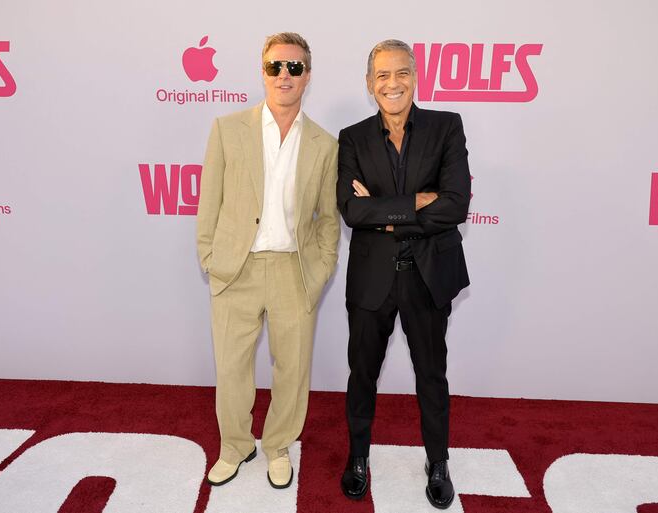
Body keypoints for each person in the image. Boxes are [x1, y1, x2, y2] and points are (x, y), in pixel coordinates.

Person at [196, 32, 339, 489]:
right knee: (232, 368)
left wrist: (319, 271)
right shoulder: (226, 128)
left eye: (294, 68)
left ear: (307, 77)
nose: (284, 75)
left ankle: (277, 445)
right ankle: (235, 446)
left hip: (292, 271)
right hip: (235, 268)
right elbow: (209, 203)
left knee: (292, 369)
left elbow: (328, 218)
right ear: (263, 72)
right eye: (276, 66)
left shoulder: (324, 144)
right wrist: (210, 258)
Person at [336, 39, 471, 509]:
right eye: (382, 76)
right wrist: (418, 201)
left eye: (401, 73)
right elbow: (352, 210)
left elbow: (456, 204)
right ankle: (357, 459)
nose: (392, 84)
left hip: (428, 275)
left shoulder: (446, 127)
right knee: (362, 376)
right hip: (372, 278)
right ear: (370, 84)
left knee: (432, 375)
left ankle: (438, 463)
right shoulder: (352, 137)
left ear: (415, 76)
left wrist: (385, 212)